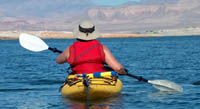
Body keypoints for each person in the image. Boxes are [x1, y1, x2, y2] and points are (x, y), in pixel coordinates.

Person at [56, 21, 127, 75]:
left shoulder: (70, 49)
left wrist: (68, 56)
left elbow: (58, 61)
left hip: (79, 79)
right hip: (100, 79)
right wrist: (123, 72)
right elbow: (118, 68)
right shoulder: (101, 48)